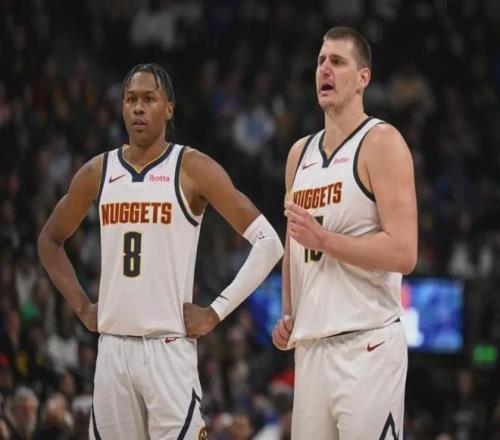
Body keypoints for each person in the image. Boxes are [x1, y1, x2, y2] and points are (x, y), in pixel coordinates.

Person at [38, 63, 283, 439]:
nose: (138, 107)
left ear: (169, 108)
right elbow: (49, 240)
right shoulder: (97, 172)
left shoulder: (192, 167)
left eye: (149, 99)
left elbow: (269, 242)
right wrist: (83, 307)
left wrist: (215, 312)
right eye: (130, 99)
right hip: (113, 350)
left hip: (167, 349)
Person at [272, 27, 417, 439]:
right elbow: (293, 241)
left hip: (367, 346)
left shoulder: (382, 142)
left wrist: (325, 241)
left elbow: (404, 252)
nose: (325, 69)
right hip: (311, 349)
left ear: (362, 78)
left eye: (337, 62)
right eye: (321, 61)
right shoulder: (298, 154)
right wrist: (289, 314)